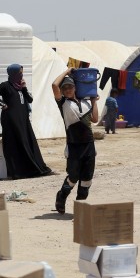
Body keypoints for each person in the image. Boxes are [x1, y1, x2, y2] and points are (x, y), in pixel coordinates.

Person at [0, 64, 52, 179]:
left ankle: (34, 169)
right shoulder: (5, 85)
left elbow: (30, 99)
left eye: (22, 72)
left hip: (23, 119)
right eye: (19, 73)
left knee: (28, 142)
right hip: (11, 120)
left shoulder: (20, 86)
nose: (21, 75)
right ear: (13, 74)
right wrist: (3, 104)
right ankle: (18, 172)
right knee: (16, 144)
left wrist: (24, 88)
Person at [52, 68, 99, 214]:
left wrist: (93, 101)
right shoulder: (63, 103)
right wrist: (67, 71)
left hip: (89, 145)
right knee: (73, 177)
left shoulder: (85, 103)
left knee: (87, 179)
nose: (67, 90)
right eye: (64, 88)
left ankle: (81, 208)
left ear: (75, 88)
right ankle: (61, 196)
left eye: (70, 87)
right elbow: (54, 85)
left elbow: (95, 119)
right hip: (74, 146)